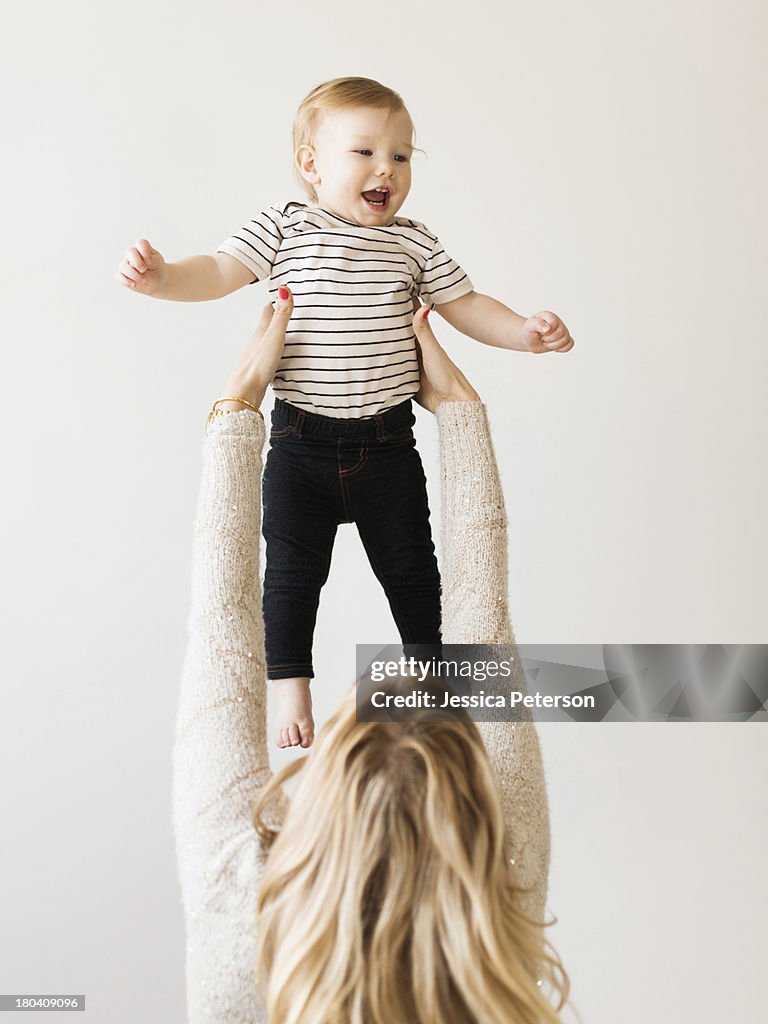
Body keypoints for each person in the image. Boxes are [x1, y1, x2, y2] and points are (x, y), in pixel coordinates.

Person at [117, 75, 575, 749]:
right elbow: (216, 271)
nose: (386, 169)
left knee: (414, 568)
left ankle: (429, 678)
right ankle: (290, 685)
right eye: (364, 153)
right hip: (301, 445)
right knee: (291, 572)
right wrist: (162, 279)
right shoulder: (284, 226)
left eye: (401, 155)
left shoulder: (414, 243)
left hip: (388, 445)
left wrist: (524, 333)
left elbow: (467, 305)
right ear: (311, 164)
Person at [171, 286, 571, 1023]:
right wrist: (457, 404)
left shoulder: (247, 929)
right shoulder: (502, 931)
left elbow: (221, 619)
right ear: (479, 820)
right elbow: (481, 606)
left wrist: (239, 401)